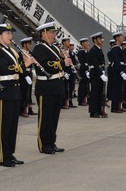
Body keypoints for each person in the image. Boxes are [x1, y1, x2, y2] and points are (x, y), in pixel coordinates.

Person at [0, 23, 33, 167]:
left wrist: (24, 60)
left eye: (11, 33)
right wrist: (24, 65)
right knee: (4, 125)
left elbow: (19, 70)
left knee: (13, 125)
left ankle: (10, 153)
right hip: (5, 91)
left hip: (15, 91)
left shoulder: (13, 51)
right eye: (7, 33)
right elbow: (5, 69)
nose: (10, 36)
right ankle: (3, 157)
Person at [32, 22, 71, 154]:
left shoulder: (54, 48)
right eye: (52, 33)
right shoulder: (39, 48)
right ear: (44, 34)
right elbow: (45, 65)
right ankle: (44, 144)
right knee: (45, 117)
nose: (54, 35)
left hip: (56, 86)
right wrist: (62, 62)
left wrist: (66, 61)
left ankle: (51, 141)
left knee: (54, 116)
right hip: (46, 87)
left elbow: (60, 65)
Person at [87, 32, 108, 118]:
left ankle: (99, 110)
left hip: (100, 72)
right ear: (95, 40)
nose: (101, 40)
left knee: (100, 92)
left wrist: (103, 71)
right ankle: (93, 111)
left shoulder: (99, 49)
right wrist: (100, 73)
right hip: (95, 74)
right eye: (99, 39)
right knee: (95, 93)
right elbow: (95, 64)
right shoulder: (93, 50)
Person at [108, 32, 126, 113]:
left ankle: (119, 105)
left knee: (120, 89)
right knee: (116, 89)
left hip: (120, 71)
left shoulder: (118, 48)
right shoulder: (115, 49)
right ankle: (114, 107)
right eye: (121, 36)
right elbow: (117, 62)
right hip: (117, 72)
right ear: (117, 38)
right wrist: (121, 72)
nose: (122, 38)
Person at [18, 37, 36, 117]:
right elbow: (20, 66)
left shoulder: (30, 53)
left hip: (29, 72)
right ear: (24, 45)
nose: (30, 45)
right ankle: (22, 109)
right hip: (23, 74)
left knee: (28, 91)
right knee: (23, 91)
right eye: (29, 44)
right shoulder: (19, 54)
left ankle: (29, 108)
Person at [76, 38, 90, 107]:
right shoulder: (81, 52)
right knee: (82, 86)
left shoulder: (86, 52)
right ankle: (81, 100)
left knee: (86, 86)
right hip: (83, 70)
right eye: (86, 42)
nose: (87, 43)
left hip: (87, 70)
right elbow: (82, 62)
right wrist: (86, 70)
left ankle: (85, 99)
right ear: (82, 44)